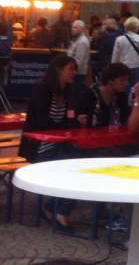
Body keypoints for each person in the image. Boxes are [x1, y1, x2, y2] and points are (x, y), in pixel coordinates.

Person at [19, 54, 80, 228]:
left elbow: (68, 118)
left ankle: (53, 208)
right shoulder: (43, 90)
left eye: (75, 69)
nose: (74, 73)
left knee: (85, 164)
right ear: (58, 70)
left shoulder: (67, 91)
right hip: (39, 147)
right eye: (70, 69)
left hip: (59, 144)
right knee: (75, 170)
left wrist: (76, 121)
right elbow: (42, 122)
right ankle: (59, 211)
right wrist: (66, 125)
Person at [77, 62, 132, 127]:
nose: (126, 83)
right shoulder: (89, 95)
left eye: (127, 80)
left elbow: (125, 120)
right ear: (110, 80)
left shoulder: (121, 97)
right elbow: (79, 118)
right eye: (122, 80)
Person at [112, 16, 139, 85]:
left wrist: (113, 69)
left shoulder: (119, 39)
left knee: (123, 87)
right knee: (136, 87)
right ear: (137, 27)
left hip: (123, 67)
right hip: (137, 67)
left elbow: (115, 56)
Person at [67, 20, 91, 85]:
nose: (72, 29)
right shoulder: (77, 39)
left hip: (77, 73)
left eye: (75, 27)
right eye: (72, 27)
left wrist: (70, 70)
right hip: (74, 71)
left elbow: (78, 61)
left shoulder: (82, 42)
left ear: (81, 29)